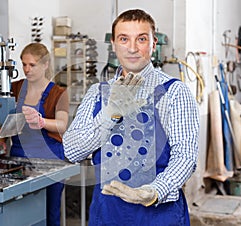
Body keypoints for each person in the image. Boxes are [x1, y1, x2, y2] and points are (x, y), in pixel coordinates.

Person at [63, 9, 199, 226]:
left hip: (158, 215)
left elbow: (185, 156)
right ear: (114, 45)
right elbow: (71, 150)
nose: (133, 48)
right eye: (124, 39)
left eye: (142, 39)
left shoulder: (174, 92)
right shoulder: (97, 93)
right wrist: (110, 115)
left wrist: (154, 191)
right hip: (107, 212)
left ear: (154, 44)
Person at [10, 42, 69, 226]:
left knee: (50, 213)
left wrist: (41, 121)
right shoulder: (15, 88)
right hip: (19, 157)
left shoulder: (58, 93)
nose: (27, 70)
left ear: (45, 65)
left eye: (32, 65)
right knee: (21, 212)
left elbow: (62, 125)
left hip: (50, 158)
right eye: (24, 64)